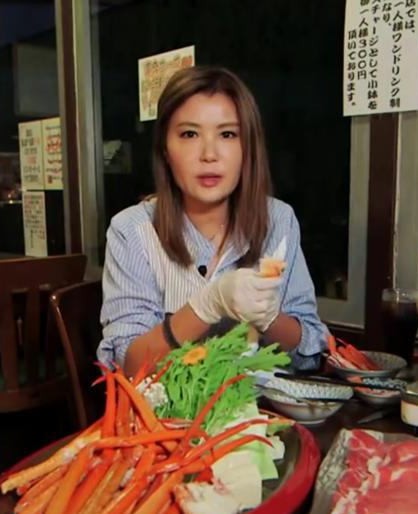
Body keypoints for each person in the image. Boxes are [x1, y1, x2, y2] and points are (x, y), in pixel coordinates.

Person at [98, 65, 328, 374]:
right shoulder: (132, 230)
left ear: (248, 148)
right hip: (170, 405)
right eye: (189, 134)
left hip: (262, 403)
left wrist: (269, 318)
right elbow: (129, 364)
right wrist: (206, 305)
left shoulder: (278, 220)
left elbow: (311, 353)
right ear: (165, 149)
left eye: (228, 134)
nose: (209, 154)